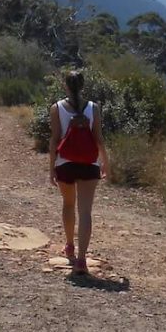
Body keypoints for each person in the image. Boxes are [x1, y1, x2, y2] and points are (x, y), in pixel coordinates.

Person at [48, 70, 109, 275]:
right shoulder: (94, 108)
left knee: (68, 204)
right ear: (83, 86)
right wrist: (105, 163)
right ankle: (82, 260)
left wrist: (51, 168)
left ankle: (69, 246)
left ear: (65, 85)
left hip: (65, 163)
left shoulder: (56, 108)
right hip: (89, 164)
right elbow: (99, 138)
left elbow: (55, 140)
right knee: (85, 212)